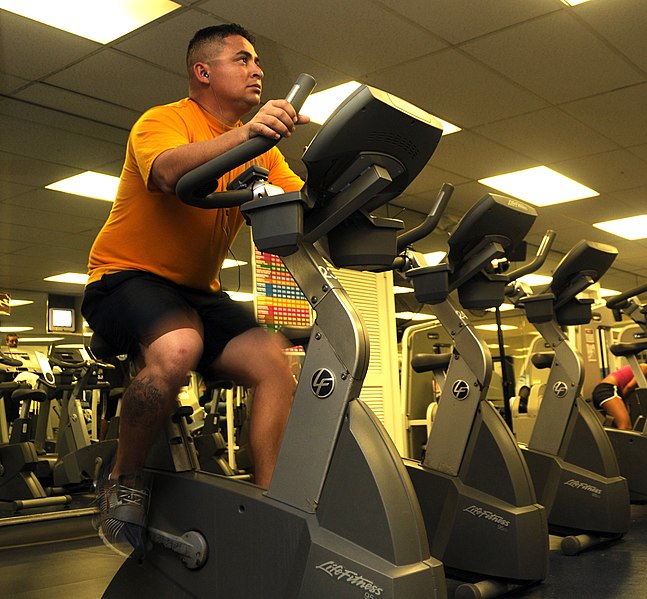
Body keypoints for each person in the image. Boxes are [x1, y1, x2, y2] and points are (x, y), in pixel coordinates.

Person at [82, 23, 309, 556]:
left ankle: (273, 498)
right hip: (124, 275)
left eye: (258, 62)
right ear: (203, 72)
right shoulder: (165, 120)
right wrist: (248, 134)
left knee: (274, 361)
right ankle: (122, 480)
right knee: (179, 347)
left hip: (197, 291)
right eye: (243, 59)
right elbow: (164, 172)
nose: (257, 69)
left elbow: (302, 203)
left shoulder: (264, 152)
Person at [591, 363, 647, 430]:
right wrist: (623, 402)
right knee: (626, 427)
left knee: (617, 428)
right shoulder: (645, 367)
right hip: (608, 390)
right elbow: (629, 387)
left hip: (602, 391)